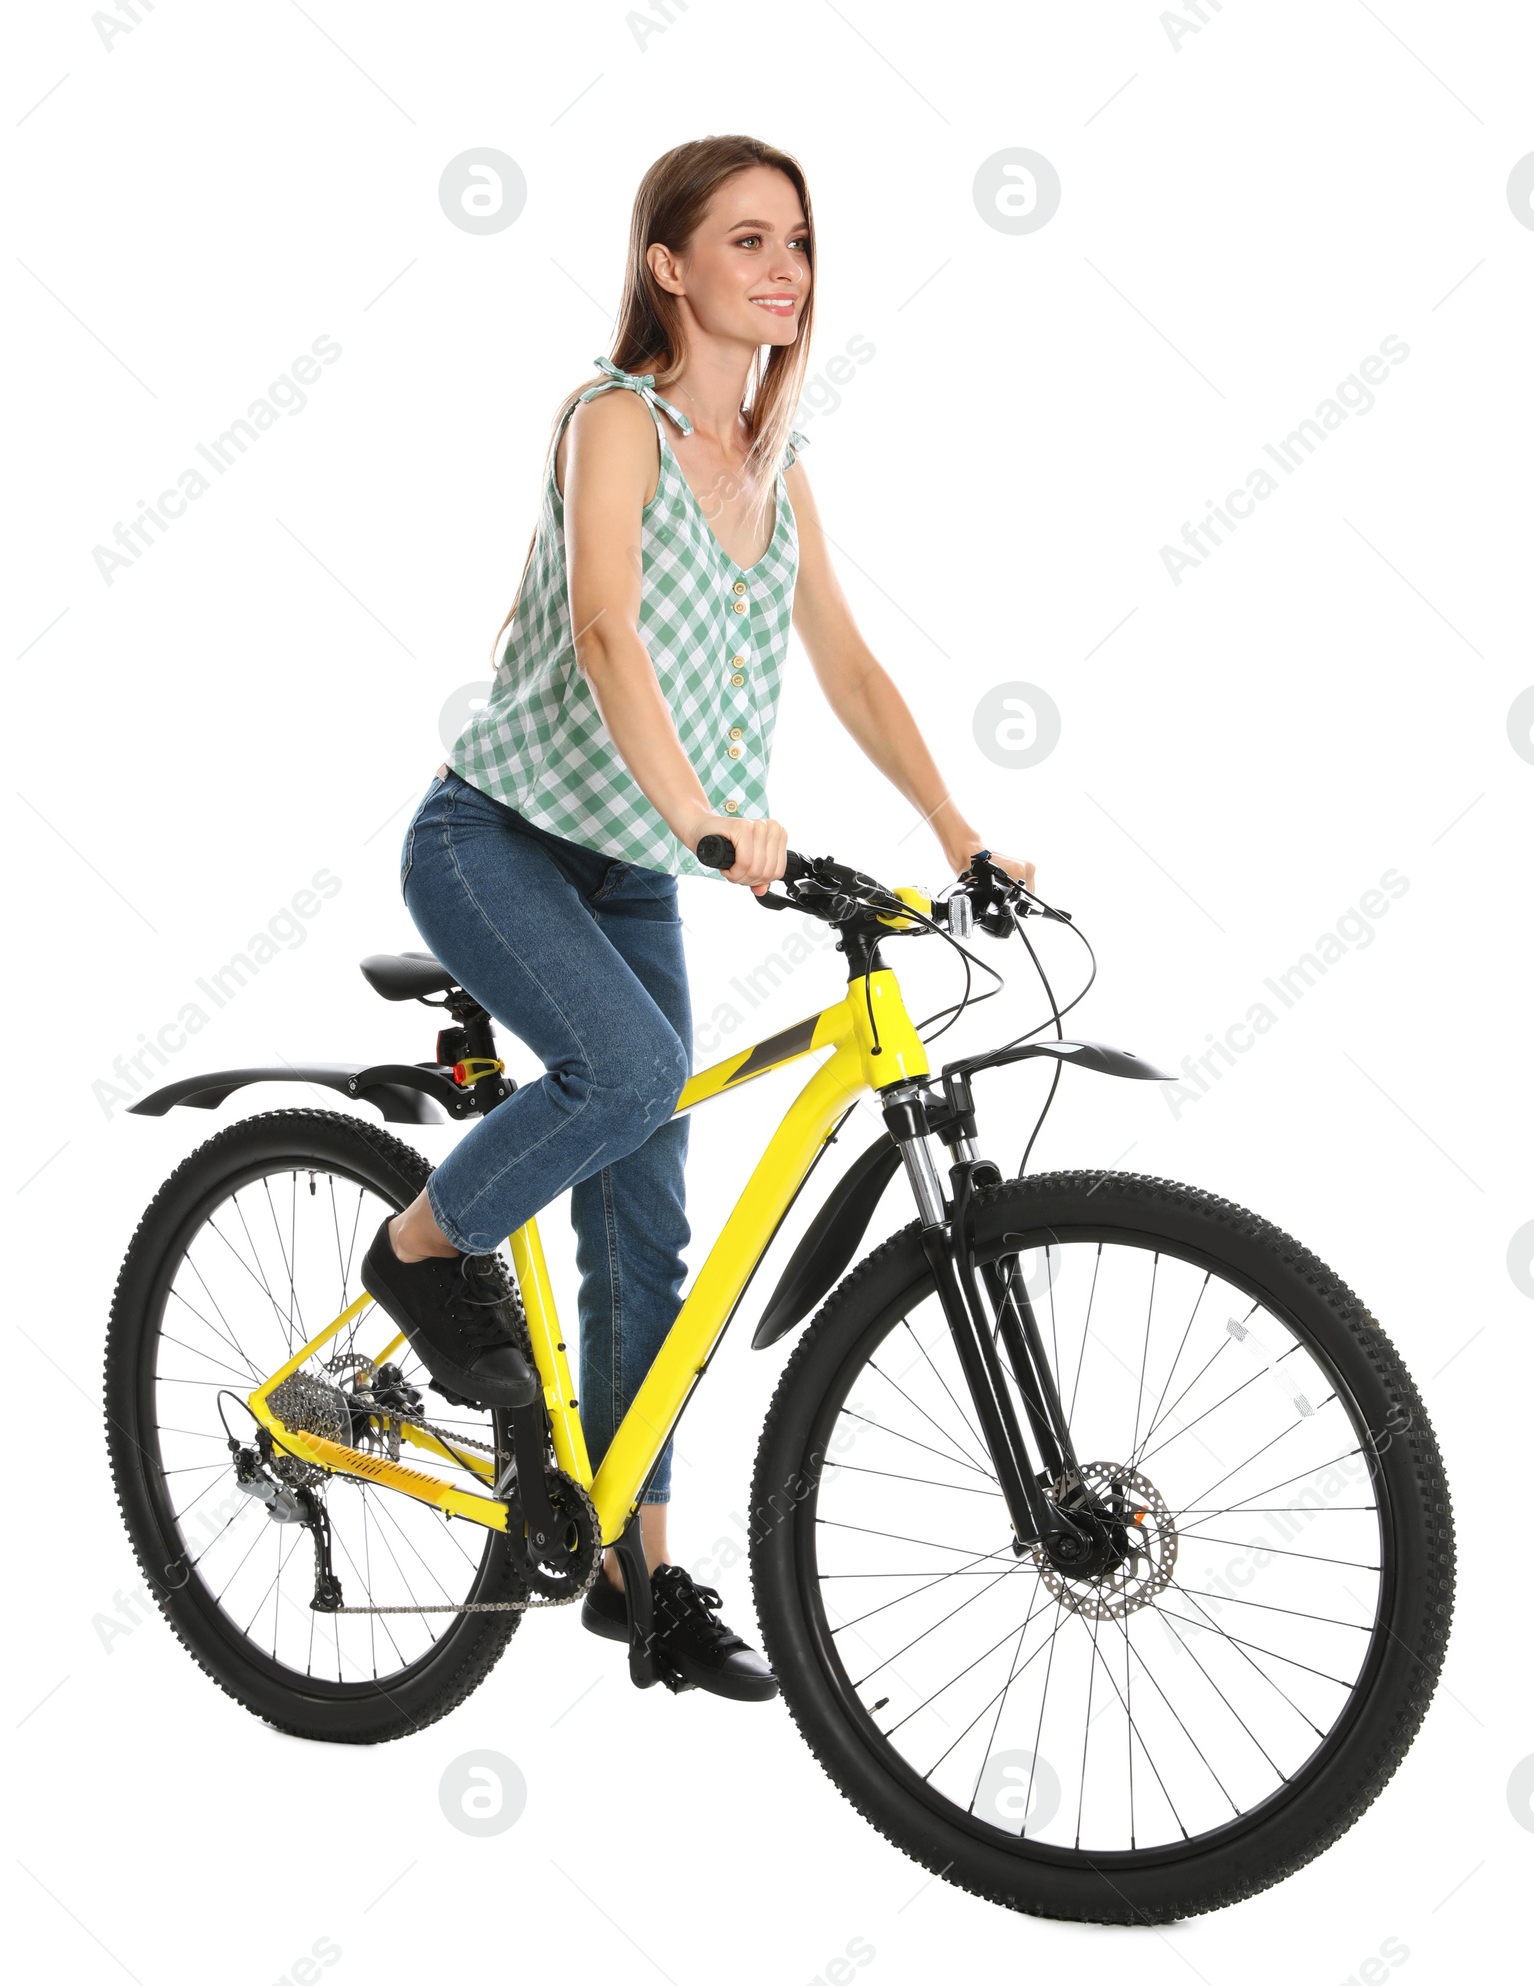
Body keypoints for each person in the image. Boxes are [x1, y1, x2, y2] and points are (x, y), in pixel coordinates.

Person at [360, 133, 1034, 1702]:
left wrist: (962, 834)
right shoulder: (619, 422)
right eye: (745, 240)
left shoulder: (779, 467)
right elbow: (606, 627)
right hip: (495, 842)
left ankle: (634, 1571)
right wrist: (700, 815)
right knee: (632, 1077)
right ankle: (418, 1250)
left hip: (631, 867)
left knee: (647, 1228)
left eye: (797, 240)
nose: (784, 267)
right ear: (668, 265)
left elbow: (855, 672)